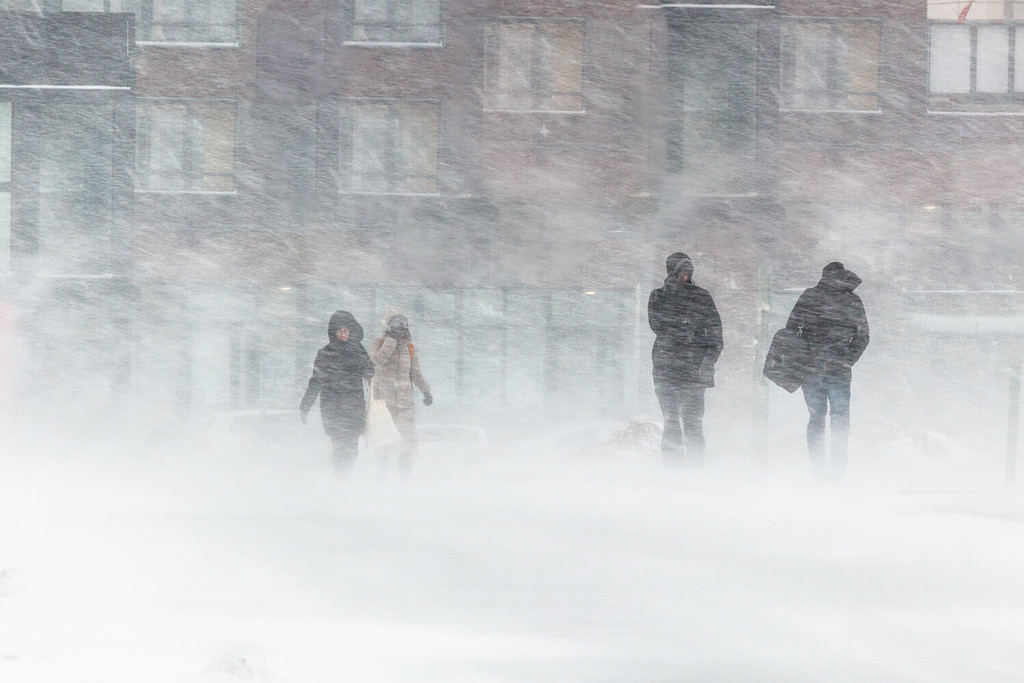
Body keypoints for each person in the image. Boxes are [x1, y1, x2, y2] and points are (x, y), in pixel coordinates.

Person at [785, 261, 869, 476]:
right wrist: (847, 358)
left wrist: (803, 354)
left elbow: (791, 330)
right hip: (838, 370)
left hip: (811, 369)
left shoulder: (810, 296)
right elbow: (862, 336)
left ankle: (818, 468)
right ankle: (838, 468)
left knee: (816, 418)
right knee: (840, 419)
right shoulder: (851, 300)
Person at [648, 252, 723, 465]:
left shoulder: (701, 296)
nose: (685, 276)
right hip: (667, 369)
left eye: (688, 271)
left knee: (692, 423)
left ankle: (695, 469)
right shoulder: (659, 296)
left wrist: (708, 360)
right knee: (671, 421)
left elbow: (716, 333)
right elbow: (657, 325)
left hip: (692, 370)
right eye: (681, 271)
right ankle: (674, 469)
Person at [300, 310, 374, 476]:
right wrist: (305, 405)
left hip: (354, 407)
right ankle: (340, 479)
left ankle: (343, 478)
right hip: (333, 408)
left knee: (352, 448)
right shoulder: (326, 354)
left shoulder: (357, 351)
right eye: (340, 330)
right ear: (334, 332)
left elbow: (369, 372)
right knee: (340, 446)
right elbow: (316, 382)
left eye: (347, 330)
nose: (344, 333)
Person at [369, 312, 432, 476]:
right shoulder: (379, 343)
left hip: (405, 405)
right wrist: (390, 341)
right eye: (397, 327)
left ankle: (404, 482)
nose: (401, 330)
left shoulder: (408, 348)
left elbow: (415, 372)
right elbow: (378, 360)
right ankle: (380, 481)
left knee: (406, 445)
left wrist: (425, 390)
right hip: (384, 404)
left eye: (403, 327)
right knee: (384, 444)